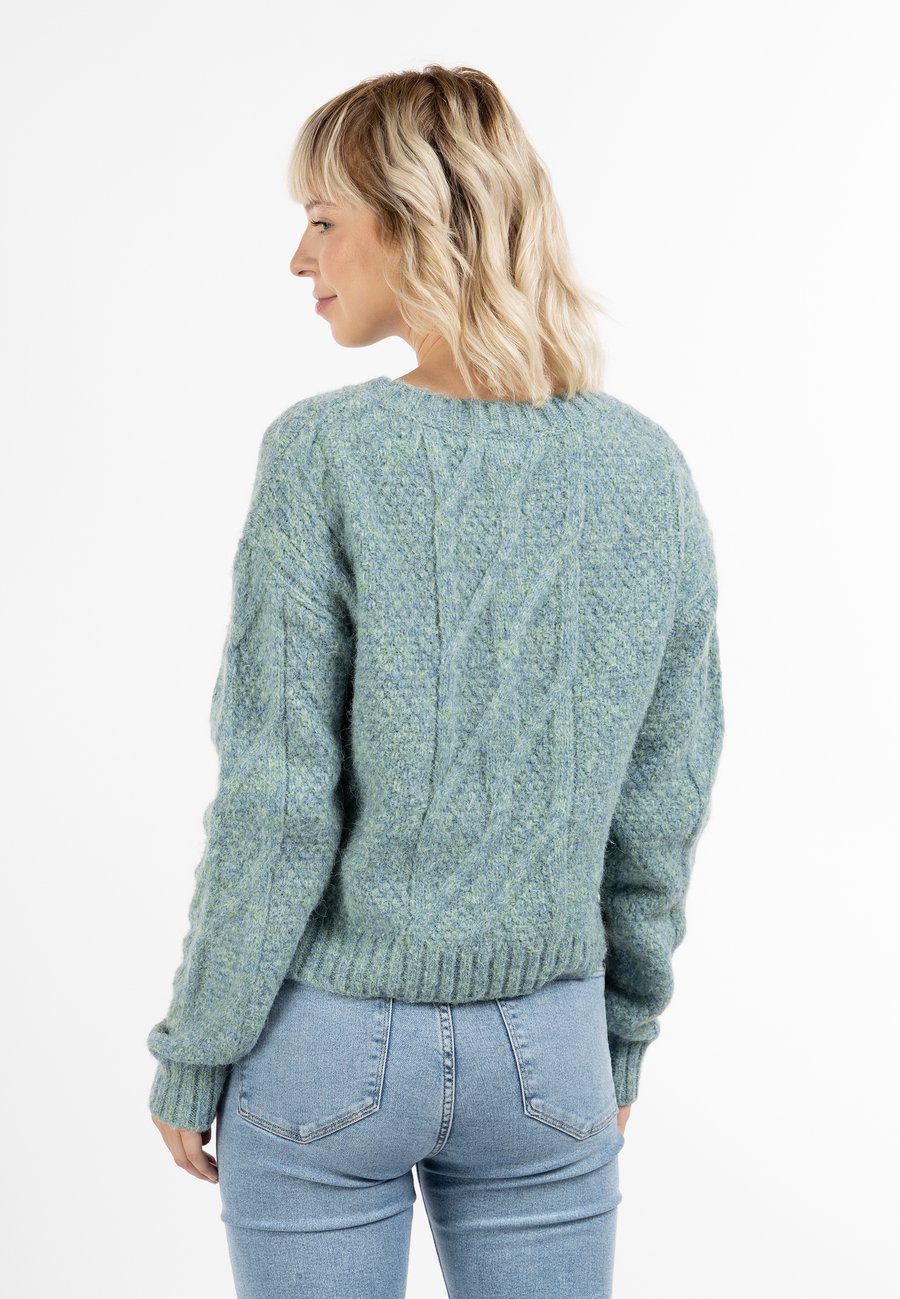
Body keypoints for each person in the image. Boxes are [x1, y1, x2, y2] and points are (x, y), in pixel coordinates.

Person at [146, 64, 725, 1299]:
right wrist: (621, 1037)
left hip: (327, 1047)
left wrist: (197, 1049)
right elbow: (661, 801)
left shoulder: (325, 453)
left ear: (412, 222)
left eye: (322, 219)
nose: (300, 259)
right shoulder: (646, 470)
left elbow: (278, 801)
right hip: (552, 1052)